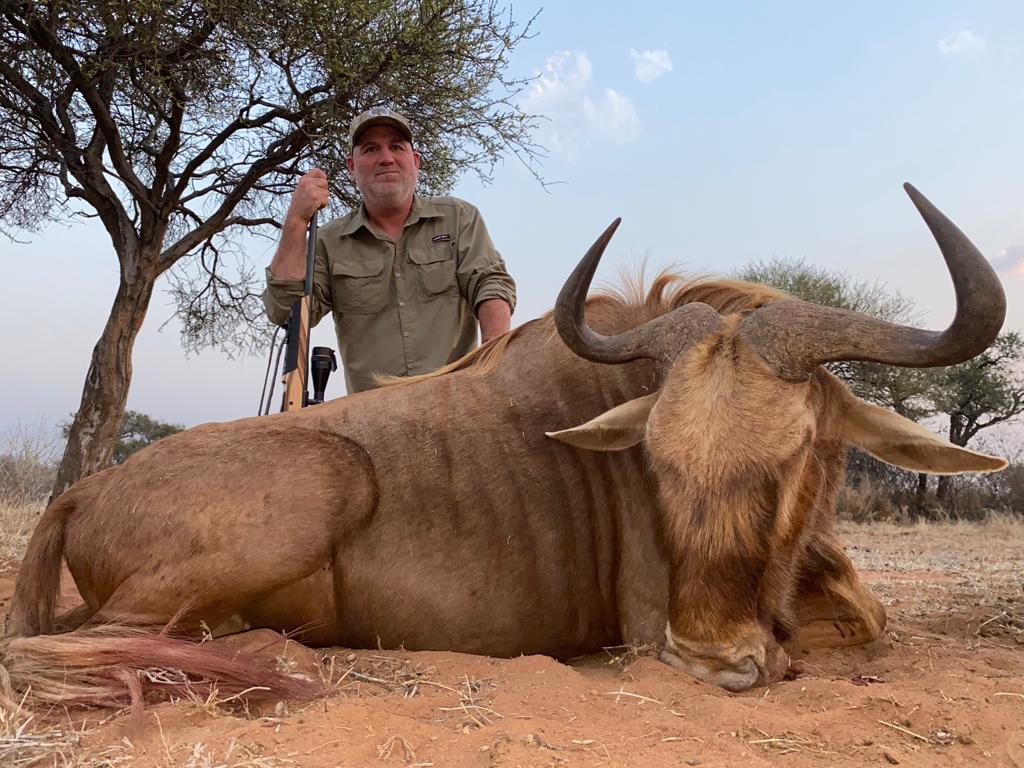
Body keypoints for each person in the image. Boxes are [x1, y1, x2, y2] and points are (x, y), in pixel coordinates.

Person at [263, 106, 516, 393]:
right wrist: (296, 221)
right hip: (374, 413)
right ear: (351, 167)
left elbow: (490, 283)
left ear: (415, 161)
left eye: (396, 147)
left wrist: (491, 366)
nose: (386, 158)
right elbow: (286, 312)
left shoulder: (459, 218)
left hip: (456, 400)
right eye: (370, 149)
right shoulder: (328, 241)